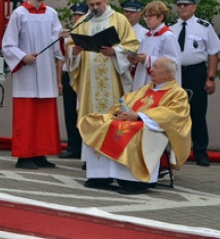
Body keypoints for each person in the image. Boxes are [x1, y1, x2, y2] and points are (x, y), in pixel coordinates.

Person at [79, 57, 191, 194]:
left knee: (132, 130)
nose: (151, 70)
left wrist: (139, 116)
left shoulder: (177, 93)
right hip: (133, 121)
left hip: (154, 128)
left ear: (167, 74)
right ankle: (100, 175)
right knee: (99, 123)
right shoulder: (146, 88)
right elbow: (126, 100)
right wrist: (121, 111)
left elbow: (173, 115)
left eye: (156, 67)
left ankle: (133, 181)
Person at [66, 0, 139, 162]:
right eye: (91, 5)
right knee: (90, 116)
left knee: (112, 115)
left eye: (98, 3)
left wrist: (115, 52)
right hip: (89, 82)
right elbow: (70, 45)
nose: (95, 7)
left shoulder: (119, 20)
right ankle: (89, 160)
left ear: (105, 1)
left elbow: (132, 46)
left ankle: (111, 156)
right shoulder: (83, 21)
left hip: (112, 79)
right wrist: (73, 52)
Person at [2, 0, 65, 170]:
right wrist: (23, 57)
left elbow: (57, 44)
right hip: (27, 75)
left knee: (43, 117)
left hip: (45, 73)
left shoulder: (51, 14)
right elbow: (7, 44)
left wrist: (64, 38)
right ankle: (24, 156)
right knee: (27, 117)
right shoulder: (19, 14)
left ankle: (40, 154)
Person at [174, 0, 220, 166]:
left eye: (186, 4)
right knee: (176, 113)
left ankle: (200, 152)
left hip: (196, 73)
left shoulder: (204, 27)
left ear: (194, 7)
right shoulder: (171, 27)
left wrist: (211, 78)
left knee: (198, 113)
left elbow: (214, 53)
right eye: (179, 5)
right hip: (176, 73)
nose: (182, 7)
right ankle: (178, 152)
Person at [129, 0, 182, 90]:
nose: (147, 20)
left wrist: (148, 59)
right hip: (143, 80)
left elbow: (172, 62)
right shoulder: (146, 36)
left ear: (160, 17)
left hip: (158, 82)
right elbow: (142, 57)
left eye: (150, 16)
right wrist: (135, 60)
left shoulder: (167, 36)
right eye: (145, 17)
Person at [59, 2, 87, 159]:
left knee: (82, 112)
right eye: (75, 15)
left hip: (83, 76)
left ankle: (83, 146)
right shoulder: (68, 35)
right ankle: (72, 146)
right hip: (69, 75)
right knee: (70, 112)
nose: (76, 18)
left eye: (80, 15)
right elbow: (61, 59)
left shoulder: (89, 32)